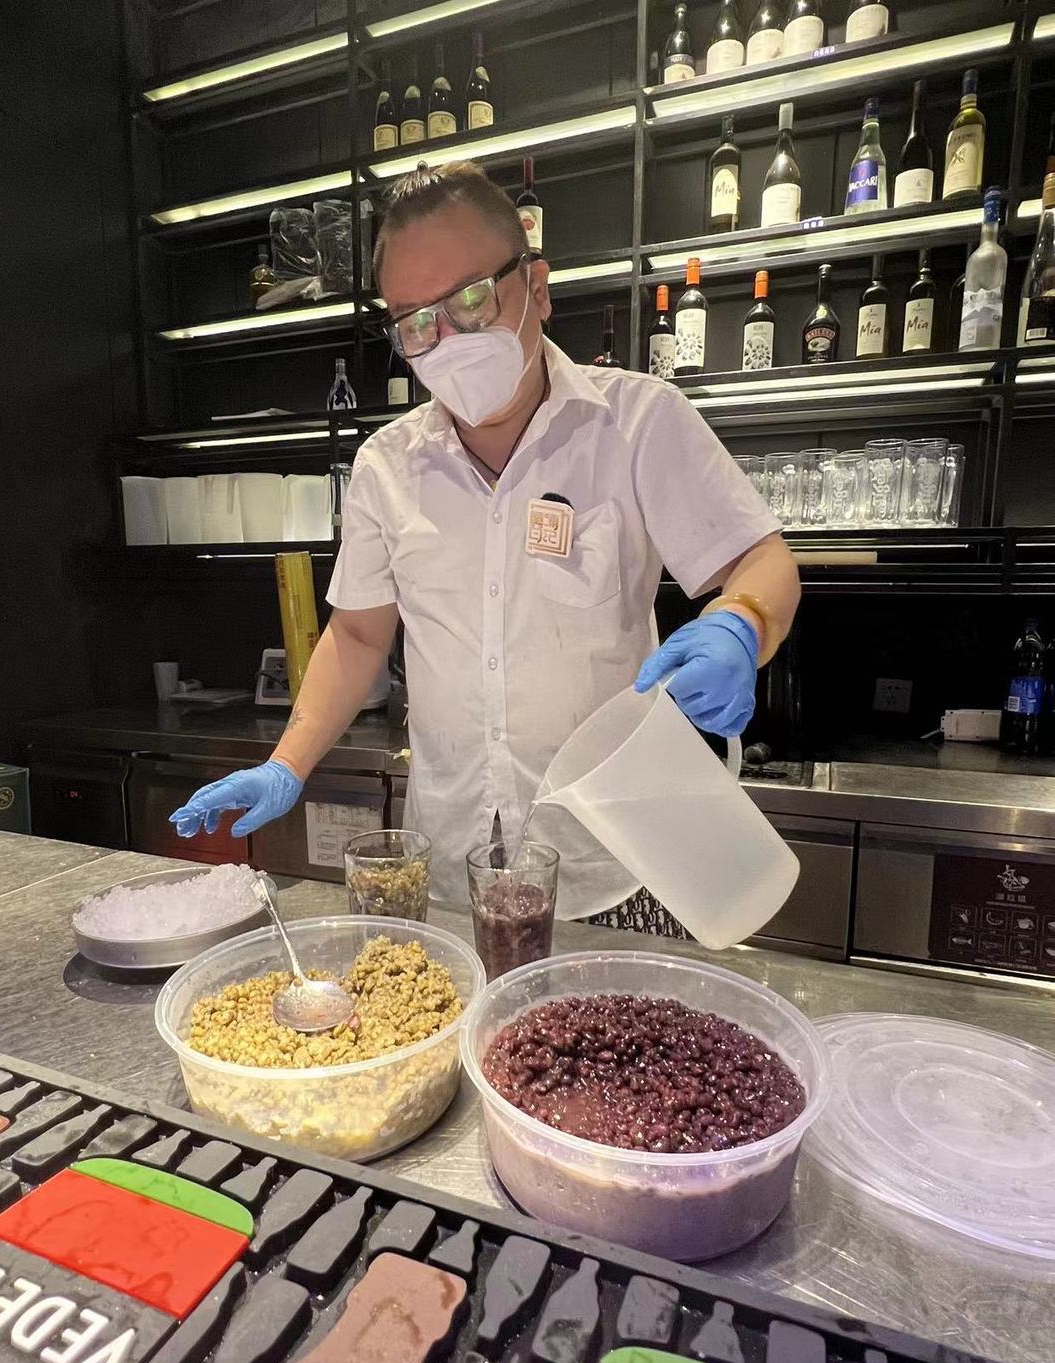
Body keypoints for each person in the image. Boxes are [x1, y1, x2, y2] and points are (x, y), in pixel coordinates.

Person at [170, 161, 800, 907]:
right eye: (415, 322)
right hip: (450, 869)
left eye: (471, 298)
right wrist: (288, 762)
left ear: (537, 286)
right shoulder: (386, 466)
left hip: (610, 863)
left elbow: (760, 558)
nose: (446, 339)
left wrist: (741, 620)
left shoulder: (637, 422)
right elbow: (360, 636)